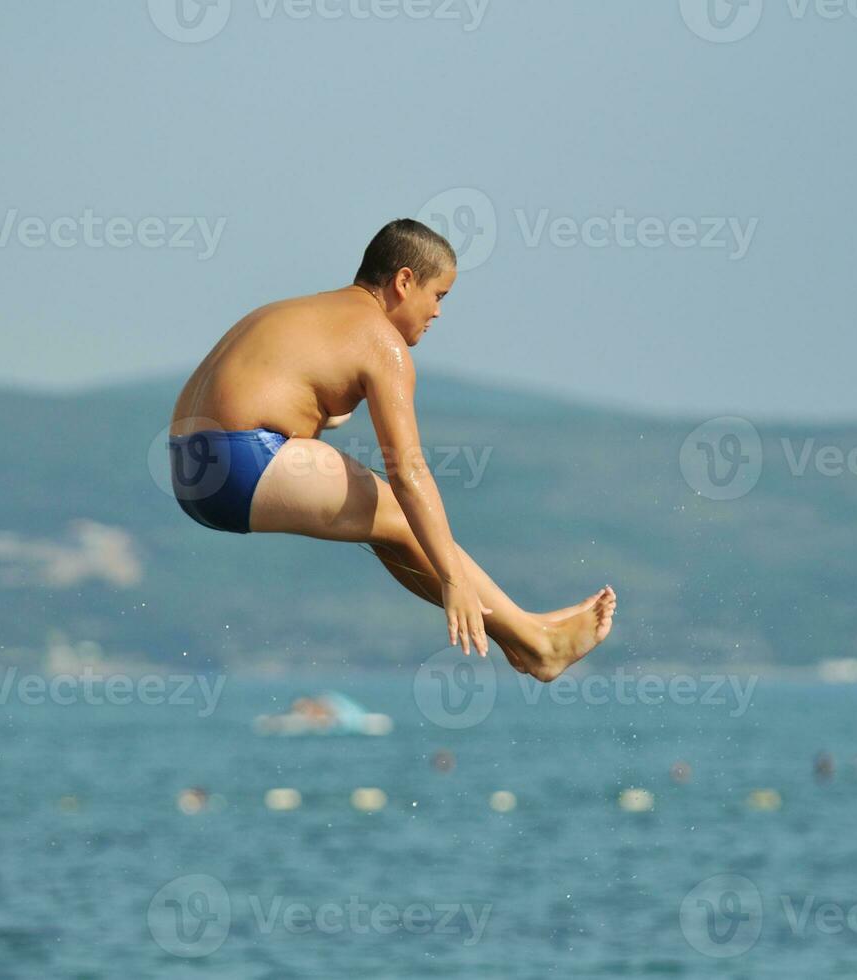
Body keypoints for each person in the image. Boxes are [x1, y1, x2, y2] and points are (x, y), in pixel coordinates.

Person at [168, 219, 616, 680]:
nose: (438, 313)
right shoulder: (382, 343)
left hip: (188, 468)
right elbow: (408, 471)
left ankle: (526, 632)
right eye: (438, 295)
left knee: (388, 525)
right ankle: (536, 644)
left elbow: (285, 395)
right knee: (404, 515)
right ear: (404, 281)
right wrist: (452, 579)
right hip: (242, 461)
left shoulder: (299, 313)